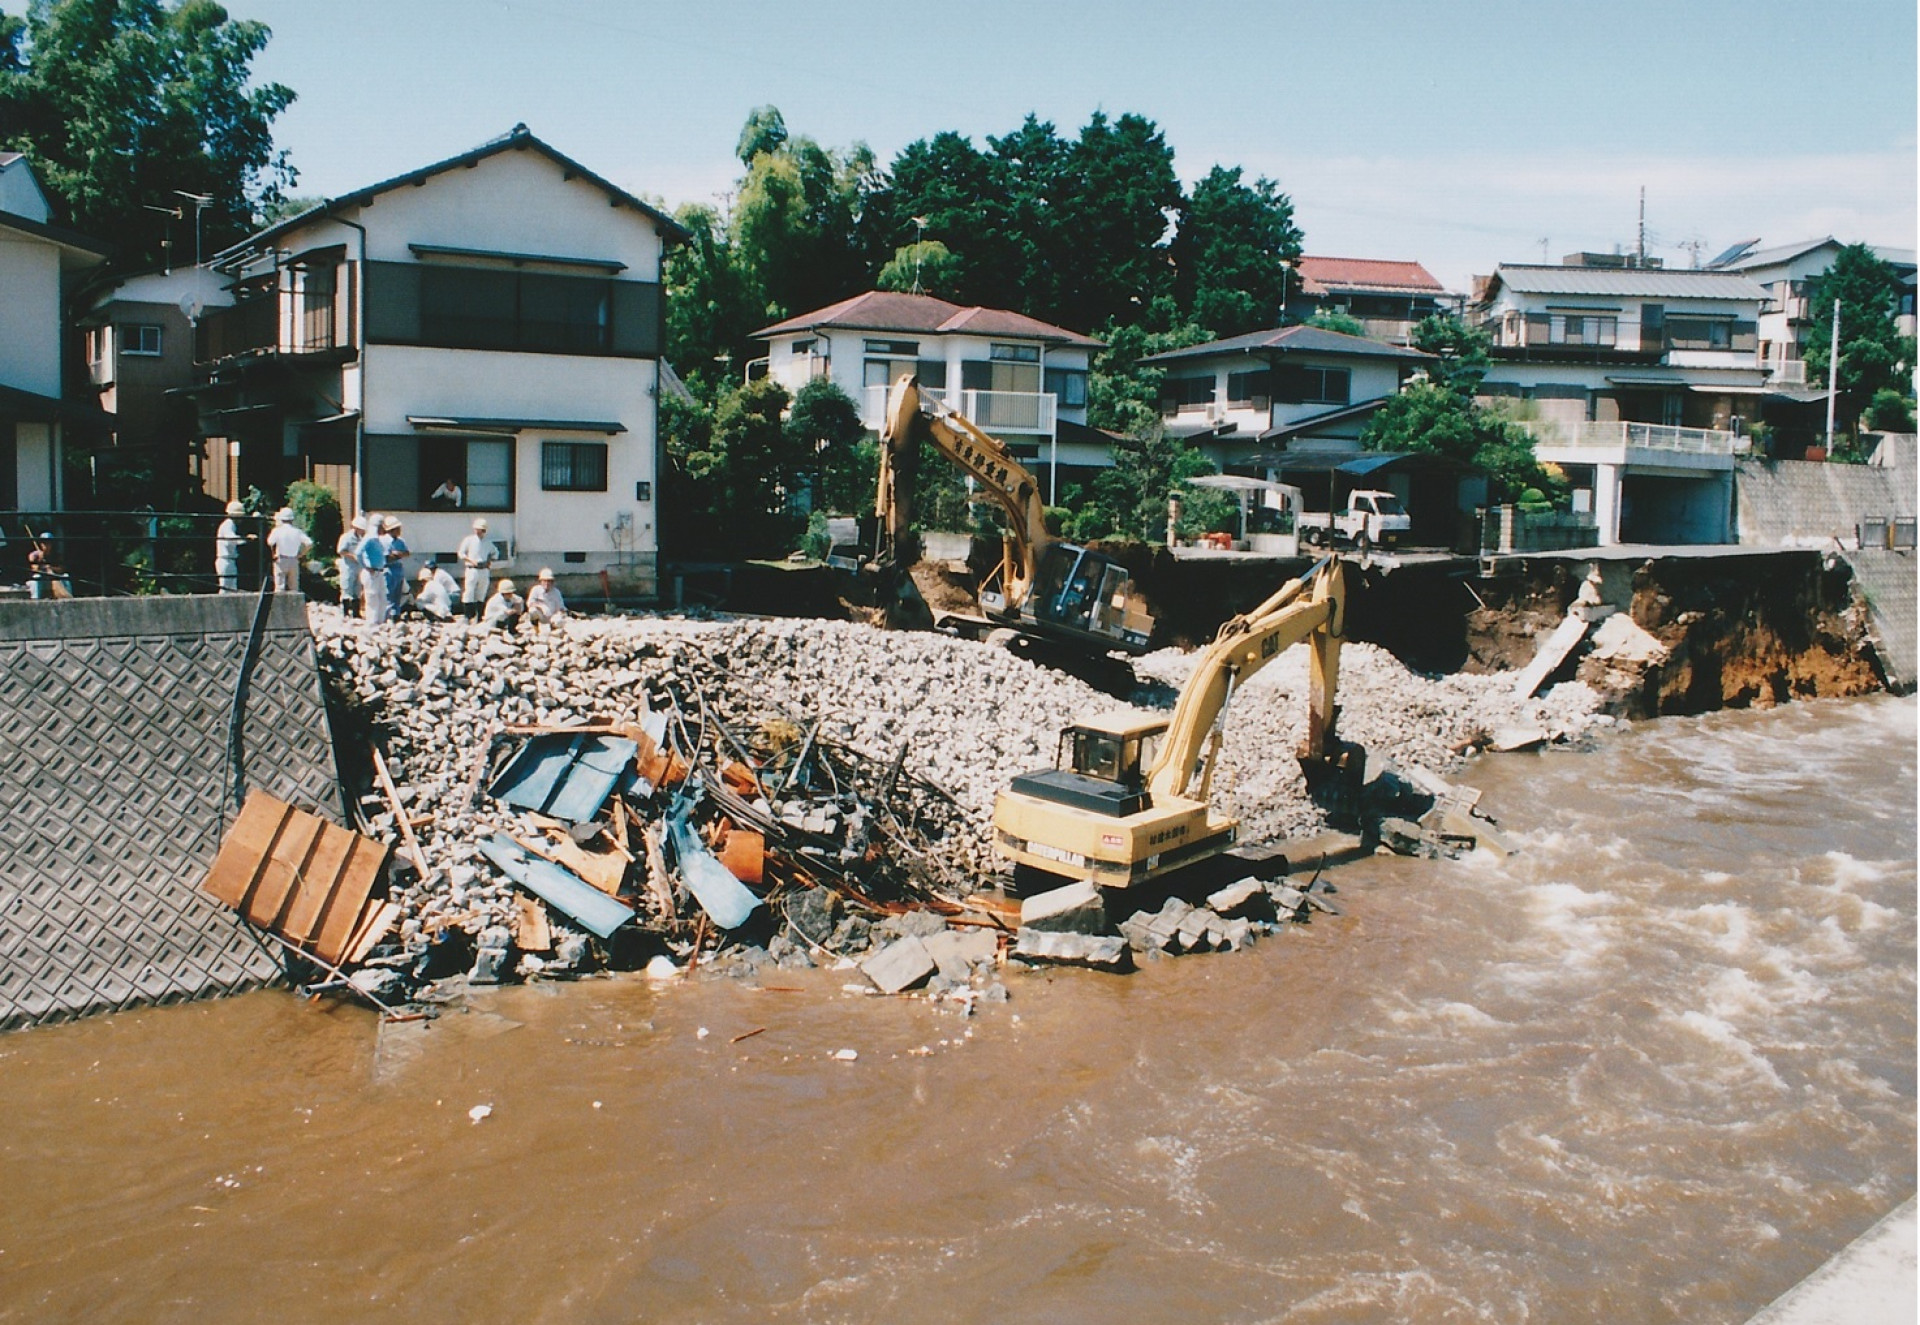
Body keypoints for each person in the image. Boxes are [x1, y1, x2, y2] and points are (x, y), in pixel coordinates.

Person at [266, 508, 312, 593]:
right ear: (292, 519)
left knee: (279, 587)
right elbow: (309, 543)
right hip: (293, 559)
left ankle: (279, 605)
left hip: (281, 559)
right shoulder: (297, 531)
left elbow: (270, 543)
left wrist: (273, 554)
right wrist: (301, 554)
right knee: (294, 588)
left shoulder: (277, 531)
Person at [456, 517, 494, 618]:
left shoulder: (488, 542)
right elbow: (461, 553)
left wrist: (489, 561)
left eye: (480, 530)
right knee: (469, 591)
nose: (478, 532)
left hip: (484, 569)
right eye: (477, 529)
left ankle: (479, 615)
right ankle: (468, 615)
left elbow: (495, 553)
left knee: (482, 592)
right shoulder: (469, 540)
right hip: (472, 568)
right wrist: (470, 560)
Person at [358, 512, 390, 623]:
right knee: (372, 599)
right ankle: (372, 623)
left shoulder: (378, 539)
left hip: (379, 572)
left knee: (382, 598)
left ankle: (380, 622)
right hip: (371, 573)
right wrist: (366, 566)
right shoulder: (369, 538)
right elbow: (358, 552)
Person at [214, 500, 251, 593]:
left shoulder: (230, 525)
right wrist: (246, 539)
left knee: (231, 588)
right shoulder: (228, 525)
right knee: (225, 587)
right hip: (225, 560)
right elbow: (231, 539)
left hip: (229, 560)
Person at [337, 515, 366, 610]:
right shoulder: (346, 537)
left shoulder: (361, 539)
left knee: (357, 589)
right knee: (347, 588)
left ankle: (356, 612)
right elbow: (341, 551)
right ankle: (345, 611)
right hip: (348, 566)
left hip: (358, 567)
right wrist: (353, 556)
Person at [382, 516, 410, 613]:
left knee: (397, 594)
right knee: (388, 593)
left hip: (398, 569)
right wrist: (397, 555)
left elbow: (407, 553)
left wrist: (397, 554)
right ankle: (387, 615)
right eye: (397, 529)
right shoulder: (384, 541)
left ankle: (395, 614)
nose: (399, 531)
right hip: (388, 569)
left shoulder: (400, 541)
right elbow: (386, 557)